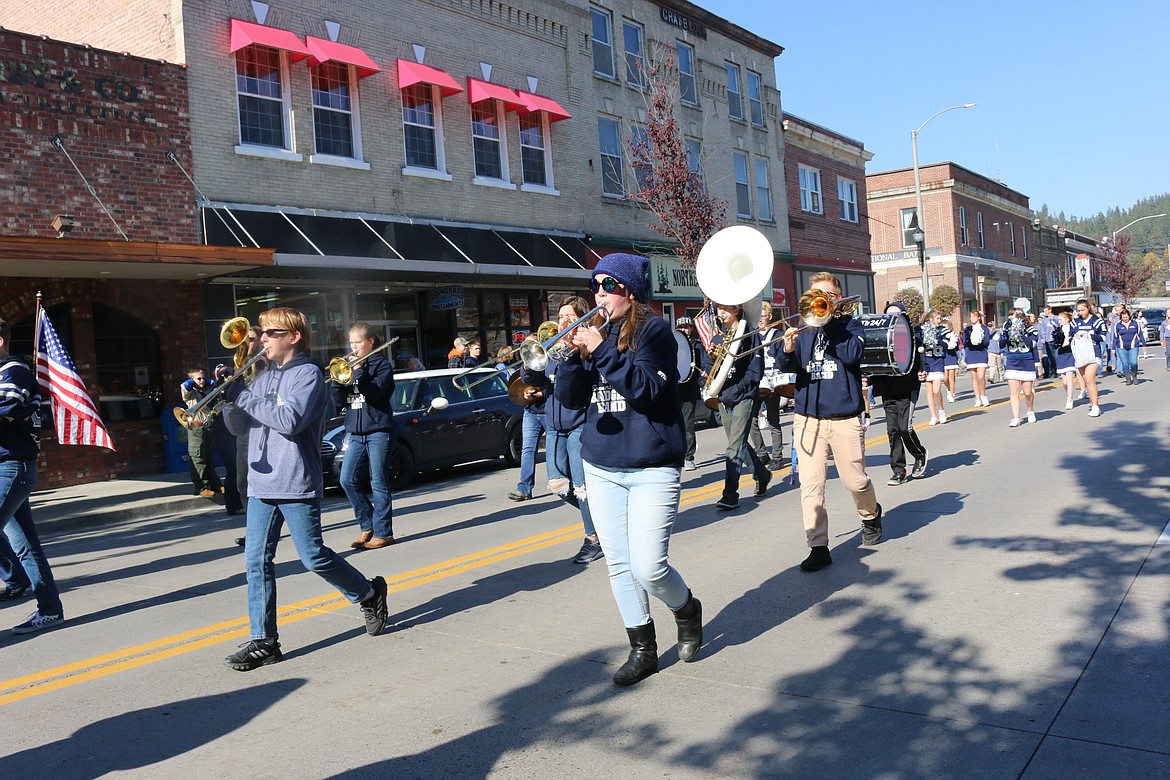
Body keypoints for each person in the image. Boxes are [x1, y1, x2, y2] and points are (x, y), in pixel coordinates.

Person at [555, 252, 702, 686]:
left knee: (649, 567)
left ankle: (686, 609)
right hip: (601, 462)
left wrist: (600, 351)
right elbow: (569, 399)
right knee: (618, 563)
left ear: (630, 292)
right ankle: (643, 649)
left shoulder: (655, 330)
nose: (599, 293)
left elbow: (645, 390)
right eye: (595, 285)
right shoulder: (593, 336)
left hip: (652, 463)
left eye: (609, 285)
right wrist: (570, 358)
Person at [220, 307, 388, 671]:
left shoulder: (308, 375)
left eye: (270, 333)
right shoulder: (261, 376)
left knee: (313, 557)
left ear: (294, 337)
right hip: (261, 482)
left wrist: (244, 397)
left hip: (295, 479)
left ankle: (368, 593)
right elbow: (238, 427)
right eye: (261, 333)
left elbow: (290, 420)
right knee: (255, 562)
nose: (261, 339)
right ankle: (264, 641)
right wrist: (227, 396)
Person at [779, 272, 882, 571]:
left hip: (844, 418)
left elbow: (852, 355)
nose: (819, 300)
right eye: (815, 295)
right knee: (811, 485)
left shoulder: (851, 326)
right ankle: (818, 546)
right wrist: (786, 348)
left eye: (825, 295)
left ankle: (870, 514)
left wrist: (832, 322)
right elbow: (789, 366)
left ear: (837, 299)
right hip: (808, 418)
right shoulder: (802, 329)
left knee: (855, 480)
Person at [526, 297, 602, 564]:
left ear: (582, 319)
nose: (564, 321)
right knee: (558, 485)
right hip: (554, 425)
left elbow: (575, 389)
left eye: (571, 316)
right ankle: (600, 516)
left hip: (579, 424)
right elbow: (540, 381)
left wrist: (571, 352)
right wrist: (528, 366)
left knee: (581, 487)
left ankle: (593, 537)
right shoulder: (554, 350)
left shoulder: (581, 352)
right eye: (561, 317)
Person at [2, 319, 66, 635]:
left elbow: (9, 403)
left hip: (12, 468)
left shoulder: (13, 370)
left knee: (26, 544)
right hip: (8, 467)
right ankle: (51, 610)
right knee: (26, 545)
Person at [333, 322, 398, 549]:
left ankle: (384, 532)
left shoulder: (382, 366)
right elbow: (340, 402)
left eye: (358, 342)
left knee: (378, 481)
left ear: (370, 342)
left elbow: (375, 395)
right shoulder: (350, 368)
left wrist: (359, 372)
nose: (354, 347)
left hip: (379, 430)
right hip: (356, 431)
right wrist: (337, 381)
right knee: (346, 479)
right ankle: (367, 524)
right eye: (351, 342)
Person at [708, 301, 769, 511]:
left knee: (733, 447)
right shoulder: (717, 339)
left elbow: (755, 371)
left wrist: (740, 389)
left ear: (736, 310)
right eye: (719, 309)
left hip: (744, 396)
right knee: (739, 444)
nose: (721, 313)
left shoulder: (750, 335)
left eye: (725, 309)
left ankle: (730, 494)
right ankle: (762, 473)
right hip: (724, 398)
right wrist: (708, 362)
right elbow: (709, 371)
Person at [867, 302, 928, 486]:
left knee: (905, 429)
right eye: (889, 316)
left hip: (907, 389)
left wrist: (923, 371)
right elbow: (874, 361)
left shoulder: (914, 336)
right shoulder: (881, 337)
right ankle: (898, 470)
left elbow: (922, 358)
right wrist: (869, 380)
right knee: (892, 431)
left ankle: (919, 454)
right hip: (888, 389)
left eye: (896, 315)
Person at [749, 301, 785, 470]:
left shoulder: (777, 335)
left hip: (772, 381)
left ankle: (777, 457)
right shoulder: (751, 335)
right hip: (756, 382)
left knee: (773, 420)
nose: (760, 320)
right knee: (751, 420)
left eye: (763, 316)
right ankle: (762, 453)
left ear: (770, 317)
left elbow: (782, 358)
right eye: (758, 316)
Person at [508, 353, 547, 502]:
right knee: (527, 450)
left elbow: (556, 387)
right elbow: (519, 384)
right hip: (531, 412)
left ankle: (564, 484)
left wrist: (540, 394)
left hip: (549, 411)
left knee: (556, 450)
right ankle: (524, 489)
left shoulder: (550, 362)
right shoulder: (528, 366)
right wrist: (524, 394)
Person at [180, 368, 224, 498]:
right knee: (198, 457)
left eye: (203, 378)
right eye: (199, 378)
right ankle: (201, 486)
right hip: (196, 427)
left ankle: (214, 483)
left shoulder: (206, 390)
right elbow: (185, 386)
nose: (202, 380)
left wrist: (211, 383)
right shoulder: (190, 392)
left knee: (209, 457)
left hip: (208, 426)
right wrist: (192, 381)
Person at [674, 317, 705, 472]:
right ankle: (676, 455)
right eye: (681, 327)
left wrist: (702, 376)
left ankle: (689, 457)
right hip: (674, 388)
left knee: (688, 424)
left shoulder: (697, 346)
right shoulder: (671, 343)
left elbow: (704, 364)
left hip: (689, 389)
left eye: (687, 327)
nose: (685, 329)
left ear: (691, 329)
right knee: (674, 424)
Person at [1000, 308, 1039, 427]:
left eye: (1013, 315)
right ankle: (1016, 418)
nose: (1010, 318)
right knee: (1014, 392)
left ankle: (1030, 410)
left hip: (1026, 361)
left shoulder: (1031, 329)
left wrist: (1021, 333)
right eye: (1010, 315)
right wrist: (1005, 334)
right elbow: (1002, 345)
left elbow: (1031, 344)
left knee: (1027, 392)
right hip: (1012, 360)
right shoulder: (1008, 326)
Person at [1071, 298, 1107, 418]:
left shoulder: (1097, 321)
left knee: (1090, 378)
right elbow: (1070, 336)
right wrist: (1074, 336)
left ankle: (1095, 406)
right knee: (1086, 380)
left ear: (1088, 308)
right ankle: (1093, 402)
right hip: (1080, 354)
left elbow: (1103, 337)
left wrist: (1090, 335)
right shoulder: (1075, 322)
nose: (1080, 312)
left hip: (1093, 353)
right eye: (1078, 311)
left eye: (1082, 310)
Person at [919, 310, 952, 425]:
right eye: (937, 318)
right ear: (931, 319)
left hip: (938, 362)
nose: (939, 321)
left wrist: (935, 338)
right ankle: (933, 416)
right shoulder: (923, 331)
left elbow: (946, 345)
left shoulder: (942, 331)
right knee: (929, 392)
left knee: (936, 390)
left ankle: (941, 411)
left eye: (940, 318)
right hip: (927, 363)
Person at [962, 310, 991, 407]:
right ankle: (977, 398)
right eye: (971, 316)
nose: (972, 318)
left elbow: (987, 342)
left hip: (981, 354)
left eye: (974, 316)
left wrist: (979, 342)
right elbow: (964, 342)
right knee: (974, 378)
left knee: (981, 377)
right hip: (971, 354)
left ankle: (983, 395)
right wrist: (970, 341)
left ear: (979, 317)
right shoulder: (968, 329)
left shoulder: (984, 328)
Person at [1050, 310, 1078, 409]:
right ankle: (1068, 395)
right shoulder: (1058, 329)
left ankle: (1069, 400)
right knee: (1064, 381)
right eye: (1058, 319)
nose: (1059, 321)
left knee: (1069, 378)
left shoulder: (1072, 328)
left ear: (1067, 320)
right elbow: (1054, 341)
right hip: (1061, 353)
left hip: (1069, 353)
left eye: (1060, 319)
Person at [1113, 308, 1144, 385]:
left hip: (1133, 346)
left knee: (1133, 362)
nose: (1125, 319)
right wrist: (1113, 348)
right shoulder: (1118, 325)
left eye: (1126, 317)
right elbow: (1115, 337)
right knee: (1125, 363)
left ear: (1129, 316)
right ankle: (1128, 379)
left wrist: (1144, 344)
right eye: (1123, 317)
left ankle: (1134, 376)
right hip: (1121, 347)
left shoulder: (1135, 323)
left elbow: (1140, 334)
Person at [942, 317, 960, 403]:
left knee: (951, 377)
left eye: (947, 327)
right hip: (944, 358)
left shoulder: (953, 335)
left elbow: (957, 348)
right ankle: (949, 389)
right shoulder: (941, 336)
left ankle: (952, 394)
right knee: (945, 379)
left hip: (952, 357)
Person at [1038, 306, 1057, 379]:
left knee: (1056, 356)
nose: (1045, 312)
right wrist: (1043, 338)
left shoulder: (1056, 318)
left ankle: (1057, 370)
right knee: (1050, 357)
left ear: (1050, 310)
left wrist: (1052, 320)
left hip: (1055, 340)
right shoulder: (1044, 320)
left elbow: (1058, 326)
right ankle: (1052, 371)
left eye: (1046, 310)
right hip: (1048, 340)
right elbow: (1043, 330)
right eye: (1044, 311)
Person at [986, 320, 1004, 385]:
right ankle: (991, 378)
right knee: (992, 365)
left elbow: (1002, 341)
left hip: (998, 351)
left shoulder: (999, 332)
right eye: (989, 326)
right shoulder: (987, 333)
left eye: (991, 326)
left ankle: (1001, 377)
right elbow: (989, 335)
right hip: (991, 352)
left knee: (1000, 366)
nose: (989, 328)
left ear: (994, 326)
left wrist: (1002, 351)